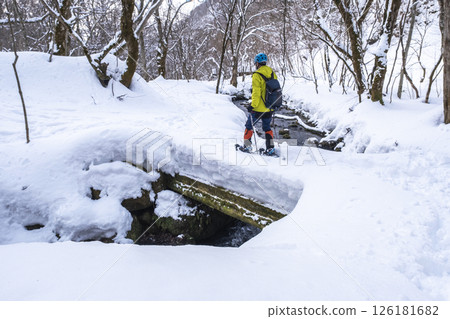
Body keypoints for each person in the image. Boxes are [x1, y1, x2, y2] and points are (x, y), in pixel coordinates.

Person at [242, 53, 276, 155]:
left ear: (257, 63)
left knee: (249, 126)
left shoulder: (257, 75)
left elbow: (256, 92)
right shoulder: (272, 73)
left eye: (255, 63)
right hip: (270, 107)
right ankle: (270, 148)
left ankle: (247, 146)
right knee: (267, 128)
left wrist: (253, 105)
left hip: (258, 108)